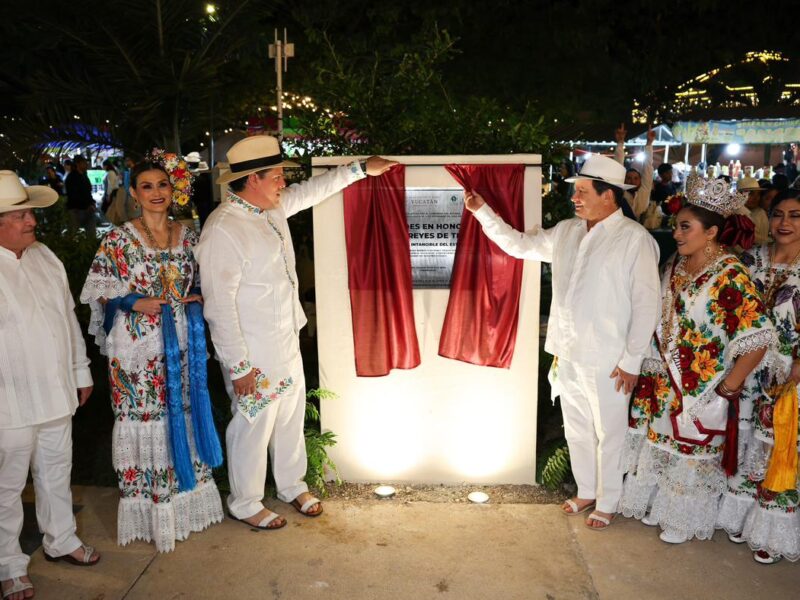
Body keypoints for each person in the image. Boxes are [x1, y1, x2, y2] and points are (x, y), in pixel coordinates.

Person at [194, 135, 396, 529]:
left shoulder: (270, 208)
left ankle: (291, 484)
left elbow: (313, 190)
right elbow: (218, 307)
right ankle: (245, 500)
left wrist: (359, 169)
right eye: (277, 177)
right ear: (253, 179)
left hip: (285, 338)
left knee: (290, 415)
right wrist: (238, 367)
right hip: (252, 349)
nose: (283, 183)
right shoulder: (223, 229)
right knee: (253, 423)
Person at [463, 154, 661, 530]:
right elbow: (520, 246)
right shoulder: (568, 231)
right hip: (568, 352)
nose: (575, 198)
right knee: (577, 428)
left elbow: (647, 303)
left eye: (584, 192)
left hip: (609, 358)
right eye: (577, 191)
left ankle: (609, 501)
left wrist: (632, 361)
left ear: (610, 196)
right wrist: (482, 211)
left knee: (610, 432)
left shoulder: (635, 240)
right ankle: (586, 490)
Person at [620, 173, 774, 544]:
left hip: (702, 386)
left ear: (711, 233)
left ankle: (683, 519)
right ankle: (657, 506)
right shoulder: (676, 264)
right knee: (660, 445)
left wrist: (729, 387)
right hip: (664, 378)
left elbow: (759, 338)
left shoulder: (730, 275)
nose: (676, 234)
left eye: (685, 227)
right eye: (675, 226)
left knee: (690, 454)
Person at [80, 159, 224, 552]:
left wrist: (195, 296)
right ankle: (154, 512)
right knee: (149, 422)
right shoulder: (119, 240)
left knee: (184, 415)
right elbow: (98, 290)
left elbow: (200, 280)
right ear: (133, 192)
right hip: (137, 351)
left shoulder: (189, 235)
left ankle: (185, 505)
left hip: (180, 342)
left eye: (162, 184)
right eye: (147, 186)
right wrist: (133, 299)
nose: (157, 192)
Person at [0, 171, 100, 600]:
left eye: (29, 212)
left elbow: (66, 320)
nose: (31, 220)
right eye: (20, 214)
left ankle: (61, 539)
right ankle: (8, 564)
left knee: (57, 471)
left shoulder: (45, 257)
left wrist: (80, 371)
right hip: (8, 402)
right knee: (5, 487)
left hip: (56, 393)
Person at [717, 188, 800, 564]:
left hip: (788, 372)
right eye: (779, 214)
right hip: (748, 368)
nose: (784, 223)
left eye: (795, 215)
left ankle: (772, 531)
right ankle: (739, 516)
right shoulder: (752, 259)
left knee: (776, 446)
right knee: (746, 439)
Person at [614, 123, 655, 220]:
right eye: (628, 178)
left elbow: (648, 166)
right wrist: (620, 143)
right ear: (623, 180)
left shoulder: (644, 190)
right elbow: (618, 167)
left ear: (641, 180)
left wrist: (649, 144)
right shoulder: (620, 193)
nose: (632, 181)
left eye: (636, 178)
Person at [64, 155, 96, 236]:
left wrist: (92, 203)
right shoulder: (72, 177)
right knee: (73, 233)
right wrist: (88, 204)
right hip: (76, 209)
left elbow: (88, 192)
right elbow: (73, 195)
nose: (86, 164)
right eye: (84, 163)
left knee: (91, 233)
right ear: (77, 164)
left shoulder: (84, 176)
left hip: (87, 208)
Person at [739, 176, 770, 245]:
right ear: (739, 195)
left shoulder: (760, 212)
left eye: (758, 194)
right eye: (751, 194)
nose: (756, 198)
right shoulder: (734, 214)